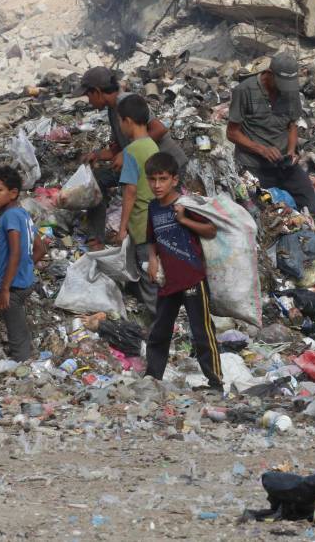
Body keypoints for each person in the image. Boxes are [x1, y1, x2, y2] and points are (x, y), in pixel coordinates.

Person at [80, 67, 186, 246]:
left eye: (88, 95)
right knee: (97, 179)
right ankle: (95, 238)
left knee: (157, 212)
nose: (88, 101)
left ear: (97, 92)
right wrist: (97, 155)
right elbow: (117, 148)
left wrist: (126, 152)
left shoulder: (126, 102)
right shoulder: (112, 111)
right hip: (140, 162)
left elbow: (158, 129)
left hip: (165, 165)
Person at [143, 153, 223, 390]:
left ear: (174, 180)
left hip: (192, 279)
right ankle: (153, 376)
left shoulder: (187, 205)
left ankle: (215, 381)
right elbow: (151, 238)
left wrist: (184, 220)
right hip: (168, 281)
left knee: (202, 331)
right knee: (160, 329)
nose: (157, 185)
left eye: (162, 179)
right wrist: (152, 259)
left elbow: (210, 230)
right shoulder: (153, 208)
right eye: (152, 179)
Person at [227, 52, 315, 219]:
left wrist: (292, 151)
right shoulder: (244, 91)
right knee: (266, 214)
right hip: (254, 166)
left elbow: (291, 125)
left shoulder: (290, 91)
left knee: (312, 210)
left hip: (284, 163)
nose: (284, 89)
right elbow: (232, 133)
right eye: (281, 83)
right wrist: (261, 149)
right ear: (269, 74)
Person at [0, 165, 46, 361]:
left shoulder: (9, 216)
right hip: (24, 282)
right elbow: (40, 249)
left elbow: (15, 251)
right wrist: (26, 268)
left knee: (16, 333)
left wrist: (4, 288)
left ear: (13, 193)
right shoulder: (23, 214)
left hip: (12, 286)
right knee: (19, 326)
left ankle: (22, 366)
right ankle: (27, 358)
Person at [114, 94, 161, 320]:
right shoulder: (151, 144)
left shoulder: (132, 151)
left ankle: (160, 327)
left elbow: (130, 191)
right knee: (155, 274)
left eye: (120, 121)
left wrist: (122, 228)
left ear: (128, 121)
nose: (120, 126)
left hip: (142, 224)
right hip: (156, 219)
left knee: (148, 278)